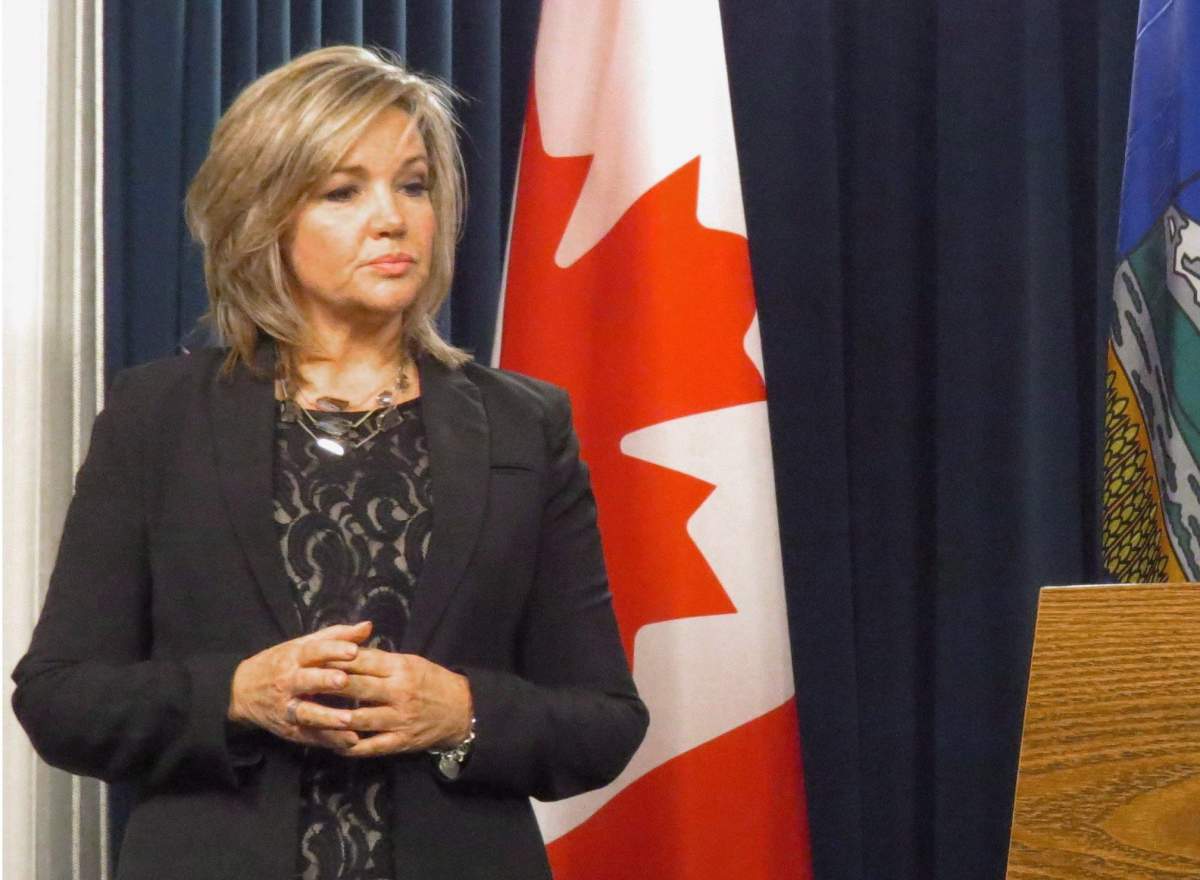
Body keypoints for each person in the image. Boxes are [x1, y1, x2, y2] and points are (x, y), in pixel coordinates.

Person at [12, 45, 647, 880]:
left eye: (413, 185)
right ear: (265, 215)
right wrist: (236, 696)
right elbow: (59, 696)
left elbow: (603, 719)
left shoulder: (524, 425)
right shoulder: (158, 417)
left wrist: (461, 712)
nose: (393, 219)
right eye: (343, 192)